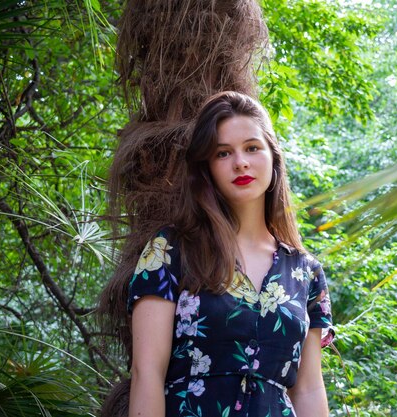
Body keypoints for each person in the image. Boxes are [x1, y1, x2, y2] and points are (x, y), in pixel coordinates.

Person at [127, 91, 334, 417]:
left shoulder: (305, 272)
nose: (241, 162)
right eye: (223, 153)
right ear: (206, 168)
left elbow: (308, 389)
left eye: (252, 148)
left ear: (273, 157)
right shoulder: (170, 250)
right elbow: (146, 374)